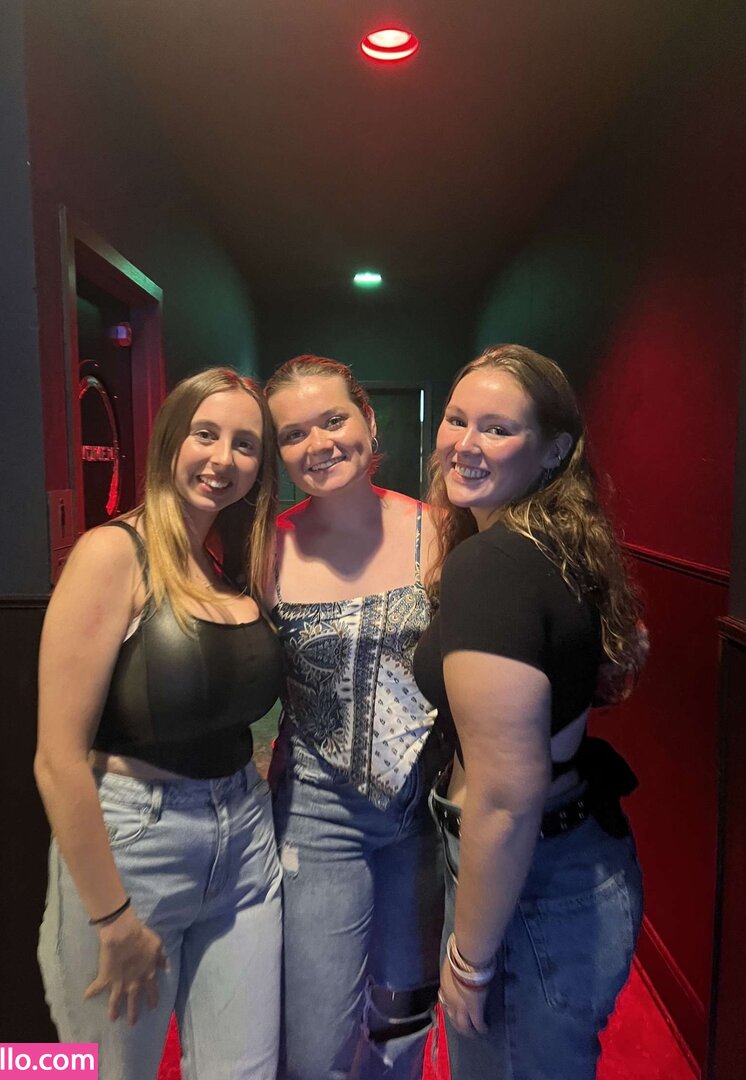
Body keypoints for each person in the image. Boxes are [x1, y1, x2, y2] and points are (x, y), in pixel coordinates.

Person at [35, 368, 284, 1080]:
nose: (222, 458)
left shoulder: (225, 564)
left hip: (245, 840)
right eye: (206, 434)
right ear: (171, 439)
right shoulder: (112, 553)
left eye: (245, 444)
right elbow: (57, 759)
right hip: (134, 845)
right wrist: (111, 918)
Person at [413, 344, 645, 1080]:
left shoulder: (493, 564)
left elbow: (507, 796)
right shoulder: (556, 543)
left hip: (527, 882)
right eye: (456, 419)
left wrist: (471, 960)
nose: (465, 443)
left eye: (497, 428)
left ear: (552, 451)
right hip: (566, 860)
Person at [263, 355, 448, 1080]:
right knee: (315, 1042)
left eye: (333, 420)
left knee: (403, 1019)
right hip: (316, 815)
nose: (318, 444)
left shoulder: (440, 531)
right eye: (293, 434)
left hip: (422, 814)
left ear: (367, 422)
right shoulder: (266, 545)